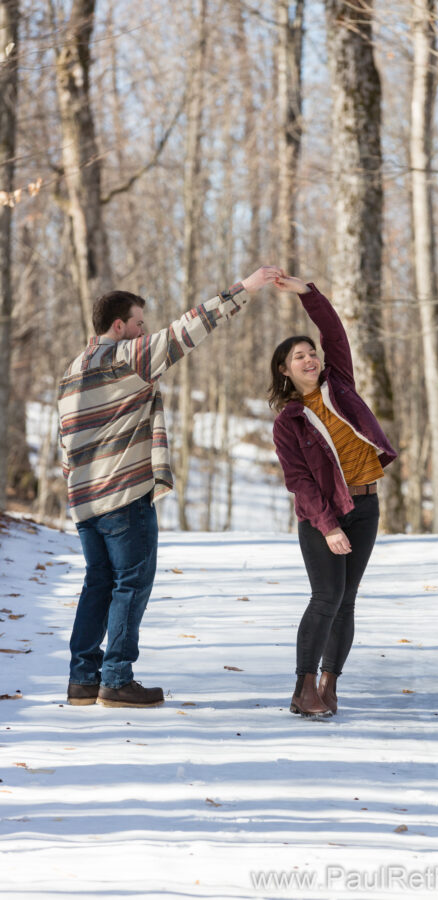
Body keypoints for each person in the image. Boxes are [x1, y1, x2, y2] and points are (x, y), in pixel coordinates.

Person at [59, 265, 282, 708]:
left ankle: (83, 677)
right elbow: (187, 329)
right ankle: (116, 679)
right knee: (131, 583)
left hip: (84, 500)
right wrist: (245, 288)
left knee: (97, 583)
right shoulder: (127, 356)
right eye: (139, 323)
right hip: (123, 495)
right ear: (119, 325)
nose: (145, 331)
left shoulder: (71, 370)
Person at [269, 275, 397, 719]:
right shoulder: (290, 422)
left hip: (367, 504)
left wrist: (308, 292)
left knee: (348, 598)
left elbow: (335, 333)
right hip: (321, 515)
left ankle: (329, 685)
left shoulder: (339, 383)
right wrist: (328, 526)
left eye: (311, 353)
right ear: (284, 370)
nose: (309, 359)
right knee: (326, 596)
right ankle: (303, 689)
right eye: (298, 356)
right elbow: (299, 481)